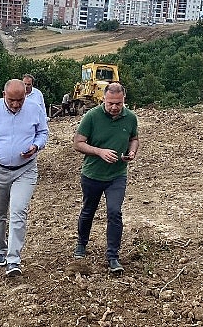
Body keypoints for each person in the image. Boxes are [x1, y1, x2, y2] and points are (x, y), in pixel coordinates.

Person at [0, 79, 49, 277]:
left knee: (18, 212)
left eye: (20, 100)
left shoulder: (34, 109)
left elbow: (43, 133)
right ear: (3, 94)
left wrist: (36, 146)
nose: (16, 104)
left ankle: (13, 259)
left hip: (25, 170)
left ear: (26, 96)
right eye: (12, 100)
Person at [72, 83, 139, 274]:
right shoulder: (92, 116)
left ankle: (113, 257)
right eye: (110, 103)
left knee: (114, 213)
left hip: (117, 175)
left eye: (118, 103)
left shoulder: (131, 118)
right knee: (88, 210)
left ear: (124, 100)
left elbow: (134, 138)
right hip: (92, 174)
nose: (115, 107)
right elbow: (78, 143)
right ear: (104, 99)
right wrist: (99, 152)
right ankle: (81, 244)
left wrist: (131, 152)